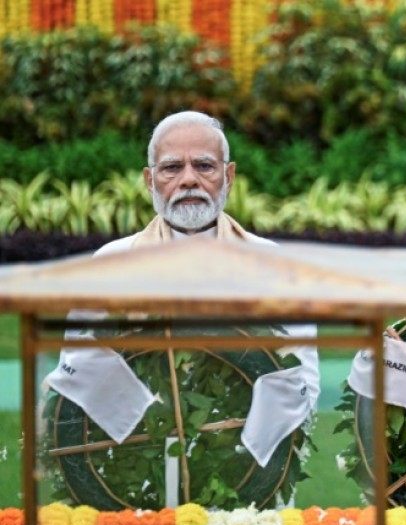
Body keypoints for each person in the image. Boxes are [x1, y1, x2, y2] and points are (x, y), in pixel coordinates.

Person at [45, 110, 319, 468]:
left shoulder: (273, 265)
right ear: (149, 180)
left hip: (245, 468)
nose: (188, 180)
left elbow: (302, 378)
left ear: (229, 176)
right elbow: (78, 366)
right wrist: (155, 428)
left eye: (204, 166)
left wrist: (237, 447)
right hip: (135, 463)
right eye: (172, 168)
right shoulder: (111, 263)